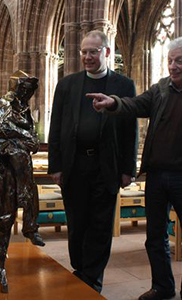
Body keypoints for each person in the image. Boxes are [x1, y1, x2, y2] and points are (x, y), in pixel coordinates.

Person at [89, 37, 182, 300]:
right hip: (157, 176)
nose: (173, 66)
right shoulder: (160, 89)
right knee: (154, 237)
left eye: (179, 60)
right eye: (170, 60)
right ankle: (162, 286)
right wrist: (112, 102)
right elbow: (135, 104)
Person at [48, 30, 138, 293]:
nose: (87, 57)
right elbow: (56, 127)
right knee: (77, 222)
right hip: (75, 165)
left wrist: (127, 169)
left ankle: (93, 277)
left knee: (100, 224)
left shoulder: (123, 86)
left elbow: (129, 130)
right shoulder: (67, 84)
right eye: (84, 52)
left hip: (106, 165)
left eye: (93, 52)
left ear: (106, 52)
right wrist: (56, 166)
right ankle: (80, 268)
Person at [0, 70, 44, 246]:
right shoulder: (3, 103)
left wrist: (30, 138)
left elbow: (31, 131)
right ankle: (21, 194)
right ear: (15, 87)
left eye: (29, 89)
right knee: (20, 156)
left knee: (32, 184)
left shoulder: (24, 109)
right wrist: (23, 135)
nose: (26, 93)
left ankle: (30, 227)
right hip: (0, 147)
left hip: (17, 147)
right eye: (23, 88)